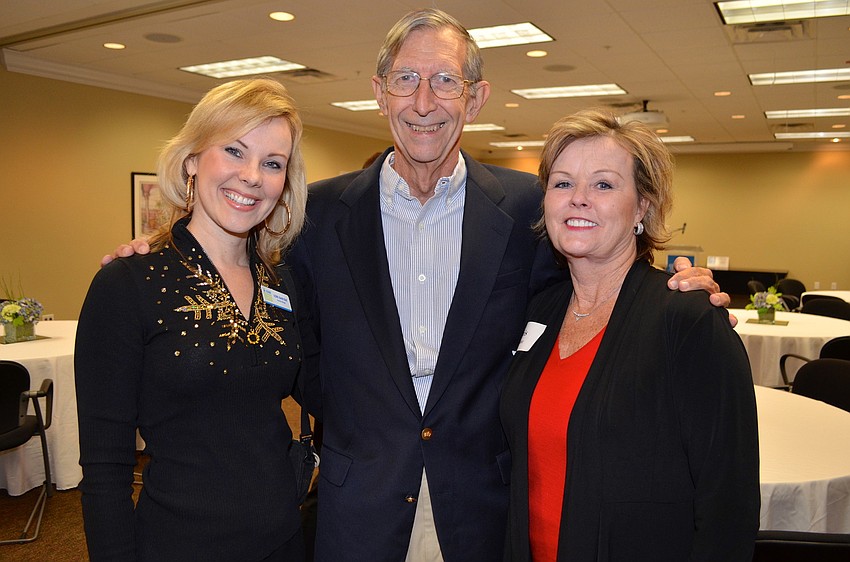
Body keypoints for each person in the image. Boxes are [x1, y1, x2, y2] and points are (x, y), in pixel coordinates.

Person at [102, 9, 729, 561]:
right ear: (379, 92)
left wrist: (678, 293)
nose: (423, 102)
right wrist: (155, 253)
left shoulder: (529, 210)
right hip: (355, 508)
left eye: (445, 81)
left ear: (475, 97)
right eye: (405, 79)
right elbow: (269, 309)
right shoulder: (314, 218)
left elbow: (591, 285)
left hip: (485, 507)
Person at [500, 109, 759, 562]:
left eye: (603, 184)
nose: (579, 198)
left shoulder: (687, 319)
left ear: (642, 205)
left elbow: (728, 505)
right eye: (562, 183)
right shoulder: (538, 310)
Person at [76, 77, 312, 560]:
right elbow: (105, 465)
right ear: (190, 160)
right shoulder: (129, 284)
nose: (252, 176)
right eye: (234, 151)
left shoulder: (281, 281)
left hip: (284, 539)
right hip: (181, 544)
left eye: (272, 163)